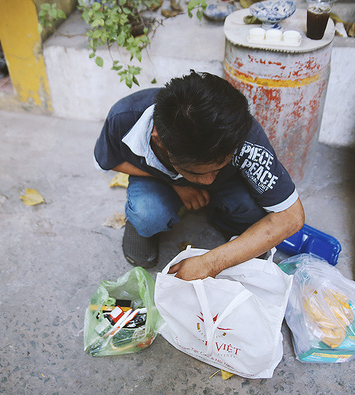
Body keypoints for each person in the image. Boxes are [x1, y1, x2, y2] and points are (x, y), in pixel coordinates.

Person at [94, 71, 305, 280]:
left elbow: (291, 217)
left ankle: (222, 217)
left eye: (219, 166)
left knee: (254, 212)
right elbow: (111, 162)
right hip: (160, 178)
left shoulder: (242, 133)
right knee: (147, 214)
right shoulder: (124, 119)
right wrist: (176, 183)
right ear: (159, 141)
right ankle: (141, 223)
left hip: (228, 182)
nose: (208, 181)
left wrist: (210, 263)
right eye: (196, 172)